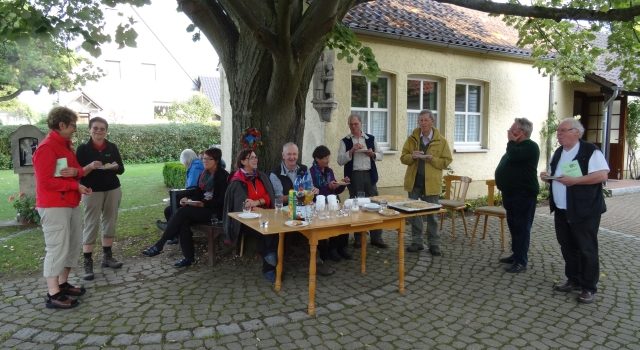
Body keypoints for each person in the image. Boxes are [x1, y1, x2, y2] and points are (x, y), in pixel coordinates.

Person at [541, 118, 609, 304]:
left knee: (586, 248)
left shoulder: (590, 151)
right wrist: (547, 177)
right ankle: (573, 280)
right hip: (562, 209)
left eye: (563, 130)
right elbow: (557, 175)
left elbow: (602, 175)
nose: (559, 134)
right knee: (567, 247)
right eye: (558, 131)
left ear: (577, 132)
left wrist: (576, 181)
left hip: (584, 209)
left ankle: (588, 287)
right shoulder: (558, 152)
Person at [33, 106, 93, 309]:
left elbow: (76, 171)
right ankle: (53, 294)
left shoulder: (66, 146)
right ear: (62, 125)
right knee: (57, 248)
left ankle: (62, 283)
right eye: (72, 125)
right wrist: (74, 185)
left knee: (72, 245)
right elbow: (46, 182)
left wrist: (75, 176)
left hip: (70, 203)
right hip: (54, 206)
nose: (75, 129)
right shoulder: (47, 148)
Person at [142, 148, 229, 267]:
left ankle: (160, 244)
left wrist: (203, 203)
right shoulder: (204, 174)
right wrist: (188, 200)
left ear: (217, 160)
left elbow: (221, 201)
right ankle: (188, 258)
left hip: (215, 212)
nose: (205, 161)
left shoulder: (222, 176)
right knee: (181, 218)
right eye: (204, 158)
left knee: (183, 213)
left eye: (209, 159)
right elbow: (198, 193)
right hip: (203, 207)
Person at [76, 117, 126, 281]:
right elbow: (78, 173)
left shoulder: (112, 147)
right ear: (89, 130)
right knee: (91, 223)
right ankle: (87, 261)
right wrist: (90, 166)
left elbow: (121, 169)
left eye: (102, 129)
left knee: (110, 221)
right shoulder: (83, 149)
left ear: (106, 131)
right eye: (95, 128)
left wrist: (115, 166)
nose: (99, 131)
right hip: (91, 191)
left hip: (112, 189)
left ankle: (107, 256)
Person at [400, 110, 452, 256]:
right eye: (420, 120)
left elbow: (447, 161)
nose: (422, 123)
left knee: (432, 216)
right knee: (413, 213)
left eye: (425, 120)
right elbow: (403, 158)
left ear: (432, 122)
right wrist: (412, 156)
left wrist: (432, 159)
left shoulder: (441, 141)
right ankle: (417, 242)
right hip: (414, 181)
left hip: (431, 183)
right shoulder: (412, 139)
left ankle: (434, 244)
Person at [223, 149, 278, 282]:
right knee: (264, 231)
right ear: (243, 161)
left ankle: (270, 257)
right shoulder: (237, 181)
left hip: (266, 214)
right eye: (251, 158)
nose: (255, 160)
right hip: (245, 220)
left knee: (276, 230)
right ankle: (269, 265)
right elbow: (243, 204)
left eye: (255, 157)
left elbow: (269, 197)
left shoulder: (261, 176)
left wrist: (257, 202)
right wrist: (254, 205)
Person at [495, 118, 540, 273]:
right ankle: (516, 254)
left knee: (522, 227)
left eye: (512, 129)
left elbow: (514, 156)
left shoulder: (530, 146)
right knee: (514, 226)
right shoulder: (516, 147)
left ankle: (521, 261)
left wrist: (511, 142)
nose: (509, 131)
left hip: (524, 195)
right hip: (511, 194)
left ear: (521, 132)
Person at [337, 114, 387, 248]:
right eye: (351, 124)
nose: (354, 127)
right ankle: (359, 237)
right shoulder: (345, 141)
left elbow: (381, 155)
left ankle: (377, 237)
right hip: (353, 176)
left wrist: (372, 154)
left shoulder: (370, 138)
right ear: (349, 125)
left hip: (370, 175)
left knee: (375, 204)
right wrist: (351, 151)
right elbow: (340, 161)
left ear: (361, 124)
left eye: (356, 124)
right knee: (357, 206)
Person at [310, 145, 351, 261]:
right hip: (320, 205)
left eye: (328, 157)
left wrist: (342, 184)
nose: (328, 160)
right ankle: (330, 250)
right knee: (328, 225)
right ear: (317, 159)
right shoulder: (311, 173)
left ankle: (342, 248)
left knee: (344, 221)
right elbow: (314, 192)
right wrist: (328, 187)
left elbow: (335, 190)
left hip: (333, 202)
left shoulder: (329, 171)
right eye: (325, 158)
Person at [156, 149, 204, 232]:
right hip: (196, 197)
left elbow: (192, 188)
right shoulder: (196, 165)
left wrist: (180, 197)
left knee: (171, 209)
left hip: (196, 199)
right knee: (170, 208)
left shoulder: (195, 168)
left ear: (186, 159)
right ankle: (171, 231)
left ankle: (170, 230)